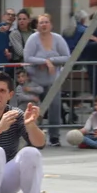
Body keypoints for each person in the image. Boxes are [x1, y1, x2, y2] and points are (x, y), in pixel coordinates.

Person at [23, 13, 70, 147]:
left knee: (55, 107)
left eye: (46, 22)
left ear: (51, 24)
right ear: (37, 25)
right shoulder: (33, 39)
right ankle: (33, 137)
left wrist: (51, 61)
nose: (44, 25)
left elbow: (67, 56)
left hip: (52, 81)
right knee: (34, 109)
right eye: (41, 22)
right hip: (35, 80)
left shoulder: (58, 39)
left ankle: (54, 137)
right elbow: (28, 57)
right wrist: (44, 62)